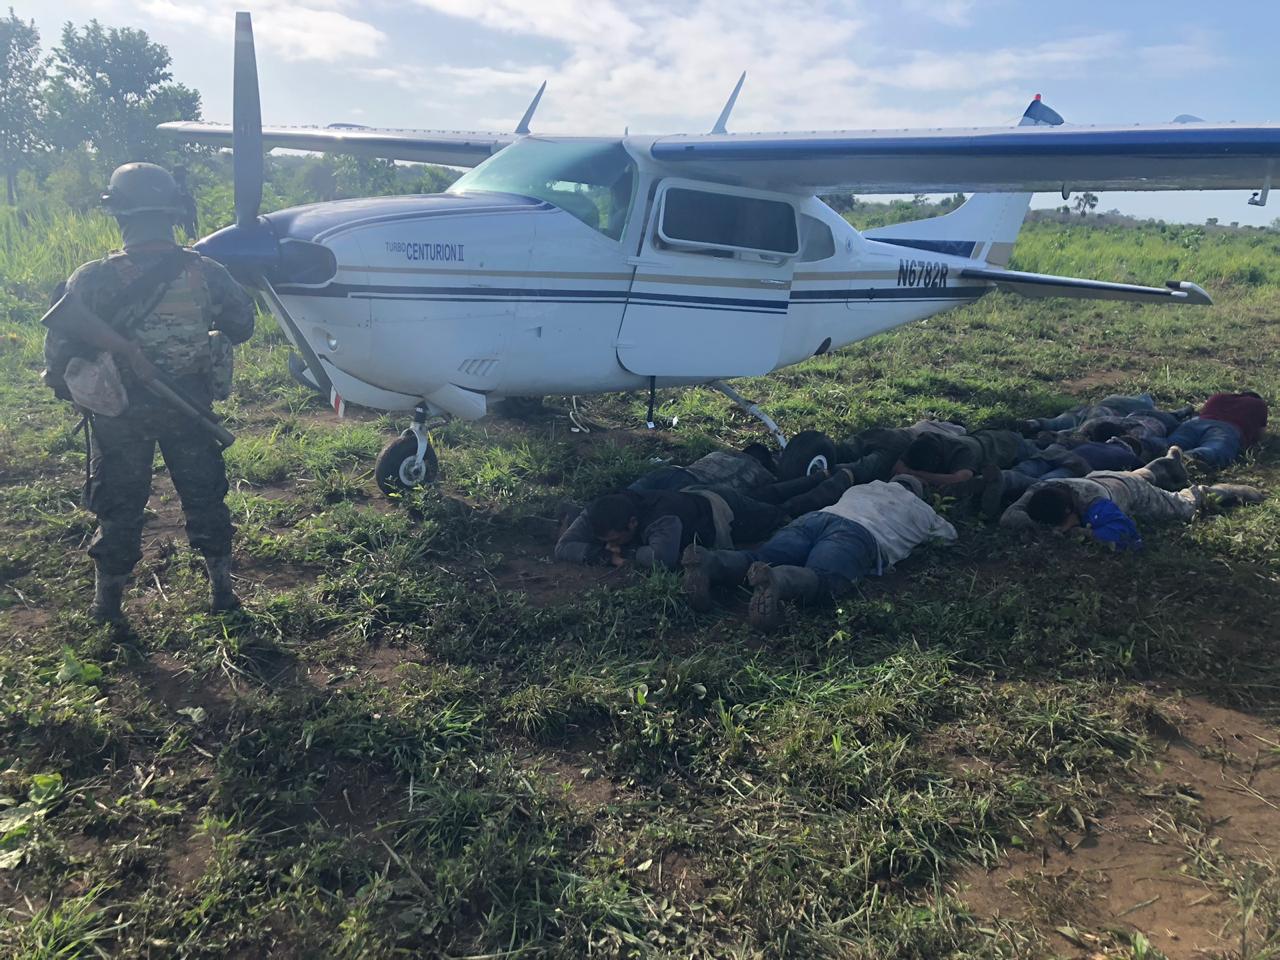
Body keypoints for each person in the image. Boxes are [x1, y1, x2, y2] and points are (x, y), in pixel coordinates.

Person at [41, 162, 255, 624]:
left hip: (118, 414)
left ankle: (107, 608)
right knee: (205, 498)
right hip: (190, 408)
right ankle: (222, 594)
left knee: (118, 506)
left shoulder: (91, 278)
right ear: (173, 212)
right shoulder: (209, 273)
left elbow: (58, 357)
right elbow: (242, 325)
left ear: (119, 215)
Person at [681, 475, 957, 632]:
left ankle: (711, 562)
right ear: (917, 492)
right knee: (823, 578)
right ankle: (779, 581)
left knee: (759, 557)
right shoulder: (923, 510)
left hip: (815, 519)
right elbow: (948, 537)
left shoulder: (865, 486)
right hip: (857, 535)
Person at [998, 447, 1264, 535]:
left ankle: (1222, 490)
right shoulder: (1038, 489)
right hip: (1104, 477)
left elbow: (1122, 533)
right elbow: (1008, 517)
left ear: (1070, 509)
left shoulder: (1097, 505)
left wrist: (1079, 532)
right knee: (1138, 475)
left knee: (1182, 505)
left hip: (1127, 491)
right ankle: (1168, 464)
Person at [555, 486, 789, 571]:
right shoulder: (597, 512)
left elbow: (662, 558)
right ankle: (816, 478)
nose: (611, 544)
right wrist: (604, 555)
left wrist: (625, 553)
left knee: (780, 512)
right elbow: (563, 547)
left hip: (722, 511)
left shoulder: (663, 520)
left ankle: (823, 485)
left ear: (633, 523)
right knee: (766, 497)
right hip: (693, 497)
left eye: (616, 539)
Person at [894, 428, 1038, 491]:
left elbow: (962, 478)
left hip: (1012, 446)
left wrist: (917, 475)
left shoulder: (962, 453)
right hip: (988, 435)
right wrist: (909, 472)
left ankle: (1048, 432)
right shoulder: (925, 441)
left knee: (1046, 454)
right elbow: (899, 466)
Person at [1162, 391, 1269, 467]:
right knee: (1215, 449)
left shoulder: (1219, 396)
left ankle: (1154, 449)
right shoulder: (1258, 404)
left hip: (1197, 422)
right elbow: (1260, 434)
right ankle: (1189, 458)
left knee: (1170, 443)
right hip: (1227, 429)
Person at [1023, 393, 1191, 434]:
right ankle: (1062, 433)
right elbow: (1169, 416)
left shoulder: (1117, 397)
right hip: (1106, 412)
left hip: (1094, 407)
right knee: (1085, 426)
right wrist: (1182, 412)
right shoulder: (1142, 405)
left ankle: (1037, 423)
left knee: (1063, 420)